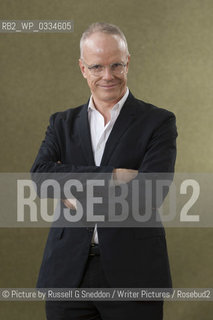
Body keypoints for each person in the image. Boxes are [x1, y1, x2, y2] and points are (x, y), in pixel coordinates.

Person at [31, 22, 177, 320]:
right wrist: (113, 176)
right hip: (67, 273)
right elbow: (41, 178)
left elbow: (150, 192)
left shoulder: (159, 122)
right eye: (97, 67)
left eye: (116, 65)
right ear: (83, 68)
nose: (107, 76)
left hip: (135, 273)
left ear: (128, 63)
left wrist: (72, 194)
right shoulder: (61, 123)